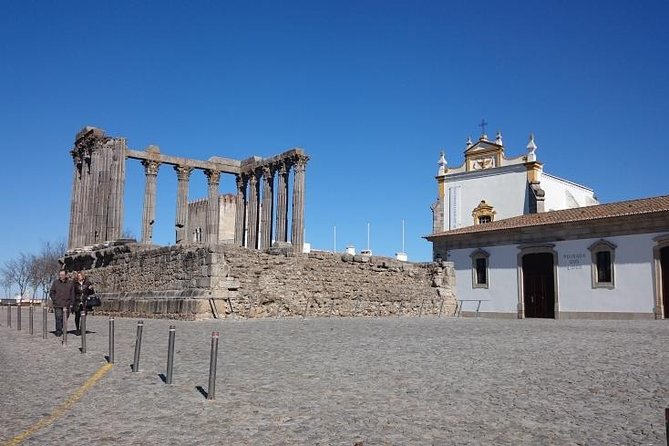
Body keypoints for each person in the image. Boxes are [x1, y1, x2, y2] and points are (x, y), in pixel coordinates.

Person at [49, 270, 75, 337]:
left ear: (66, 275)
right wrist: (54, 299)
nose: (61, 276)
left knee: (64, 318)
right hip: (57, 304)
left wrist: (72, 303)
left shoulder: (70, 283)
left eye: (62, 275)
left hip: (67, 304)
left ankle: (62, 328)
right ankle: (58, 331)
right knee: (58, 317)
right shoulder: (55, 282)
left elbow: (72, 294)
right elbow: (51, 292)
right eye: (60, 275)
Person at [74, 271, 95, 335]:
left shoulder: (88, 283)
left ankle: (82, 329)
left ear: (83, 276)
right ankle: (77, 329)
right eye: (78, 276)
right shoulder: (75, 284)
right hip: (77, 302)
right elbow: (73, 293)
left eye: (80, 275)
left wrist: (91, 289)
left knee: (84, 316)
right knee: (77, 316)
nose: (79, 277)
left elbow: (92, 293)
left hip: (85, 302)